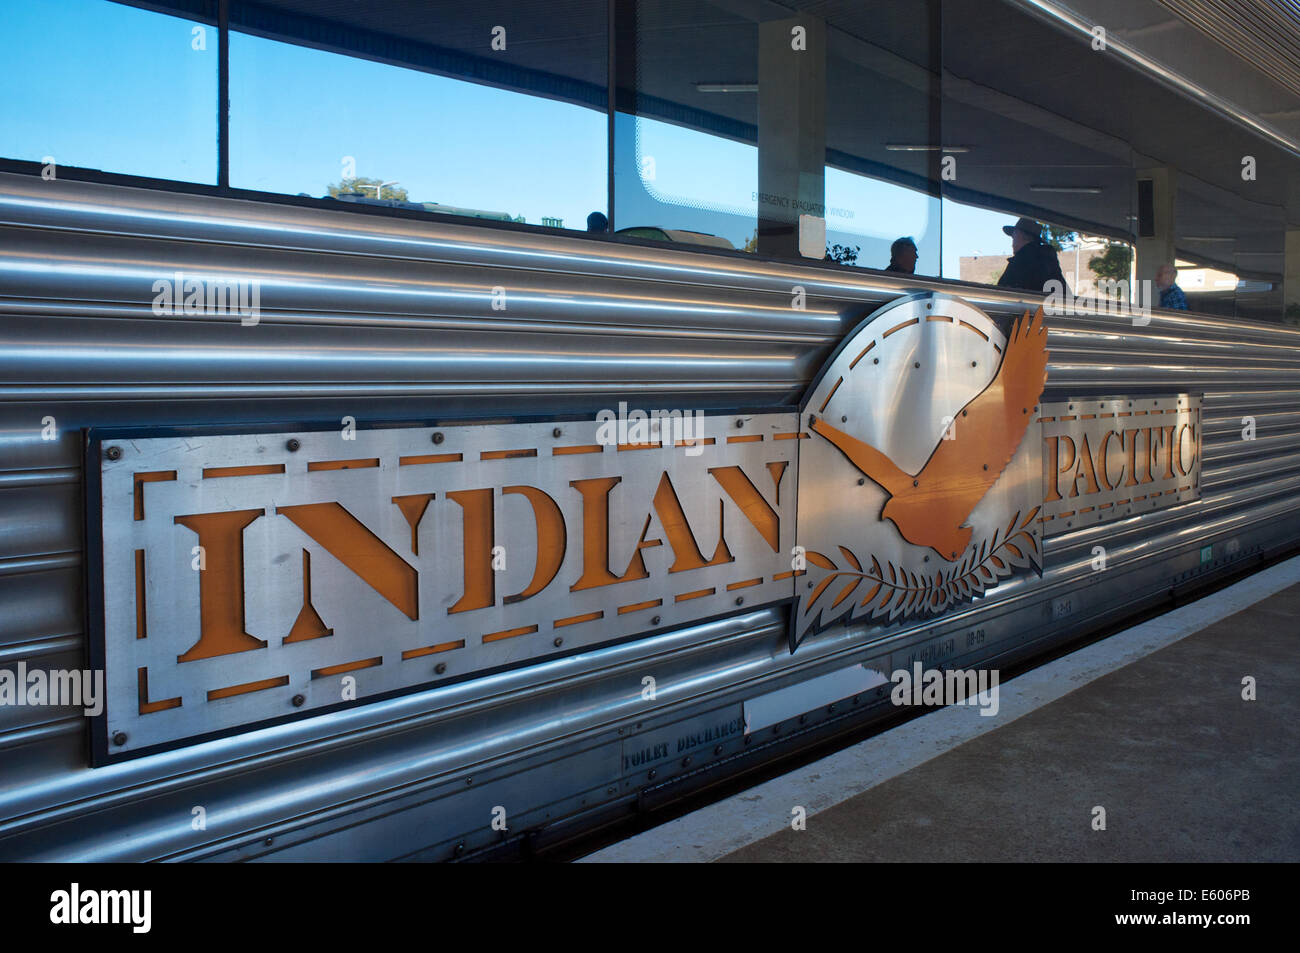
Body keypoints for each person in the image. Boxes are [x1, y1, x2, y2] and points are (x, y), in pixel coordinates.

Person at [996, 217, 1070, 298]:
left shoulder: (1021, 261)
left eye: (1013, 238)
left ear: (1019, 235)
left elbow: (1002, 293)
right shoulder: (1048, 260)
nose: (1012, 244)